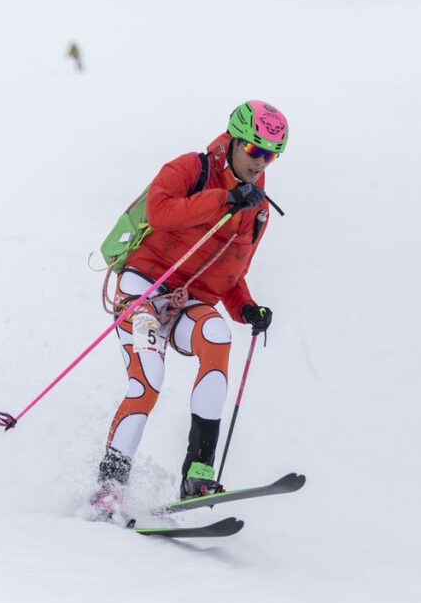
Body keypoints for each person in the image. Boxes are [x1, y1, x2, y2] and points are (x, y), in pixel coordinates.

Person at [92, 100, 288, 520]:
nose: (261, 162)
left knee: (218, 335)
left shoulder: (258, 208)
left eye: (270, 154)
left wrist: (248, 309)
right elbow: (159, 213)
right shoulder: (190, 169)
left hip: (186, 302)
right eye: (254, 150)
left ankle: (197, 472)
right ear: (234, 141)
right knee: (149, 381)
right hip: (144, 289)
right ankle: (108, 491)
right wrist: (222, 200)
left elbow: (231, 275)